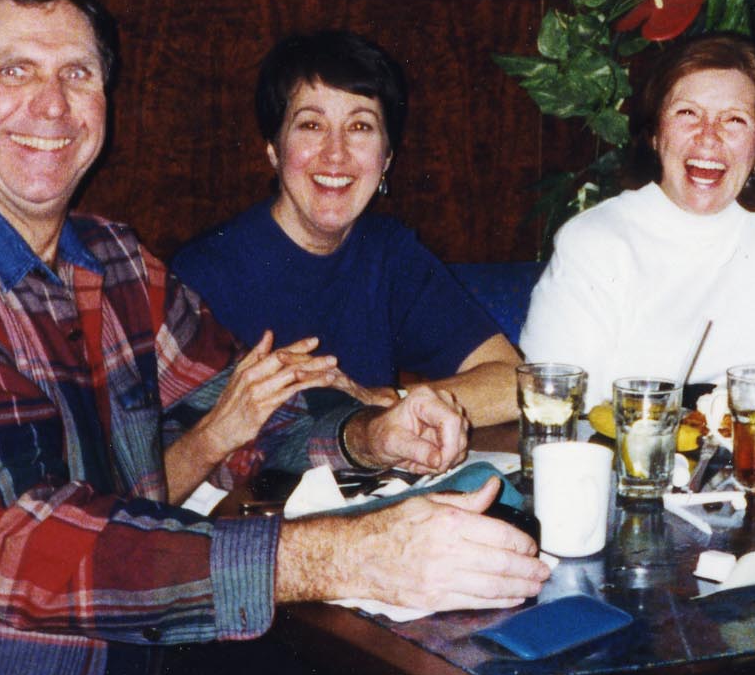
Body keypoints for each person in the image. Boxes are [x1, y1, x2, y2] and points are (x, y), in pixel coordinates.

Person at [0, 0, 548, 675]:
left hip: (133, 667)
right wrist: (350, 556)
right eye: (15, 70)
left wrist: (370, 435)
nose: (52, 104)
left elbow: (251, 406)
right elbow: (24, 548)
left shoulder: (114, 262)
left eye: (78, 74)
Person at [173, 31, 520, 426]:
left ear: (386, 159)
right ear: (274, 149)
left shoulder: (389, 253)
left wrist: (379, 402)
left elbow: (512, 381)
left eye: (360, 127)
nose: (336, 153)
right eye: (311, 125)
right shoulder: (203, 274)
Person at [519, 33, 755, 406]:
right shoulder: (595, 241)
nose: (708, 137)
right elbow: (554, 399)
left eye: (735, 120)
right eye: (687, 113)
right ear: (655, 133)